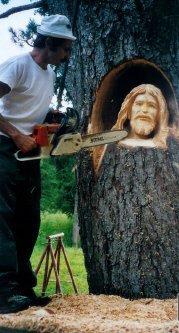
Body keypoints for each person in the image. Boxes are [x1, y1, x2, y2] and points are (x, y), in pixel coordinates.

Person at [0, 15, 76, 314]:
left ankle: (20, 286)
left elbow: (30, 108)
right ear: (49, 43)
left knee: (28, 220)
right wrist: (17, 135)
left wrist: (51, 119)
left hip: (30, 153)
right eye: (65, 50)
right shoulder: (17, 65)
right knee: (2, 219)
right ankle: (3, 291)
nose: (67, 56)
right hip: (4, 148)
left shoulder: (48, 74)